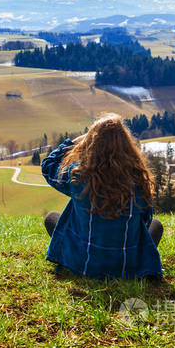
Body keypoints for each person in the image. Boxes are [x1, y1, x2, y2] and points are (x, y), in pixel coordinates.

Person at [41, 114, 163, 280]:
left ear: (90, 144)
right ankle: (136, 263)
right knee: (156, 226)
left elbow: (48, 166)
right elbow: (146, 221)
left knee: (52, 218)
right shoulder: (138, 181)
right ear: (127, 146)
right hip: (126, 267)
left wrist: (74, 142)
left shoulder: (78, 176)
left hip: (83, 263)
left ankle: (73, 258)